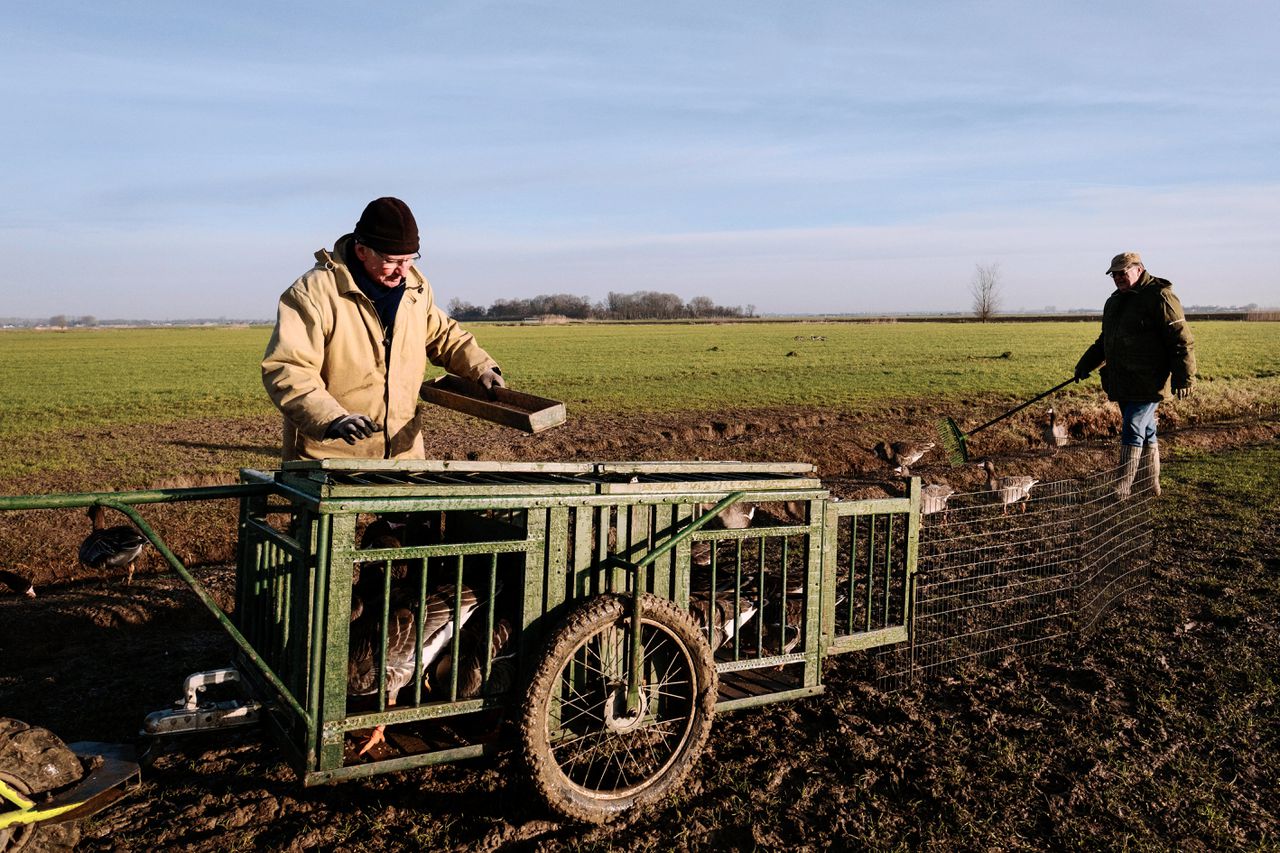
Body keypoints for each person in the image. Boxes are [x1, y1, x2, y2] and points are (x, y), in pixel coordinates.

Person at [263, 197, 504, 461]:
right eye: (393, 261)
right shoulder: (313, 294)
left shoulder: (415, 288)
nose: (402, 271)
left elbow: (445, 336)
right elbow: (288, 368)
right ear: (362, 250)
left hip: (403, 457)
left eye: (410, 259)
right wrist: (333, 420)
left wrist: (481, 368)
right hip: (329, 457)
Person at [1073, 252, 1196, 499]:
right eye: (1114, 274)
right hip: (1122, 379)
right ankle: (1150, 485)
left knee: (1132, 425)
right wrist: (1085, 364)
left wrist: (1185, 377)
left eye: (1123, 272)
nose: (1118, 277)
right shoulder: (1114, 302)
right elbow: (1105, 341)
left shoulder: (1160, 296)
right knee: (1146, 429)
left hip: (1150, 380)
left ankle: (1122, 486)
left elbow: (1181, 339)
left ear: (1138, 270)